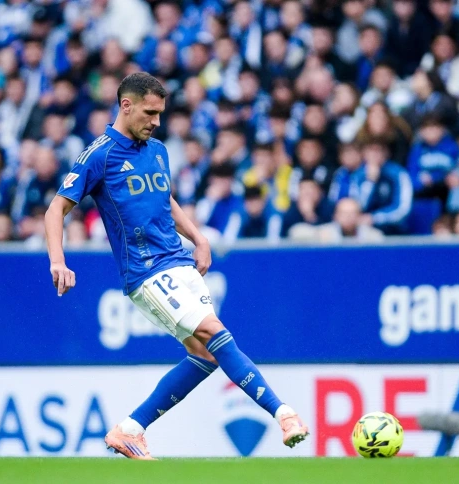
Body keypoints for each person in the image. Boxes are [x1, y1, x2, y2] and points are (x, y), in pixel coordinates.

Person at [44, 73, 308, 460]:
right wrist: (57, 260)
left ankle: (130, 428)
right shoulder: (98, 155)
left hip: (179, 262)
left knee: (206, 354)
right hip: (147, 272)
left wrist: (198, 238)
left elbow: (164, 200)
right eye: (150, 112)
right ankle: (283, 413)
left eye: (161, 114)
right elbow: (56, 209)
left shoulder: (158, 150)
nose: (156, 121)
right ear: (126, 105)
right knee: (215, 332)